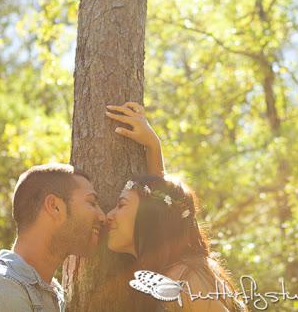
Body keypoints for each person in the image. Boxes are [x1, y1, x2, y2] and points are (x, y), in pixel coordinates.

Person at [0, 101, 163, 312]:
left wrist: (153, 148)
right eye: (91, 202)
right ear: (55, 207)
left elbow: (160, 229)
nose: (102, 215)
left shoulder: (50, 295)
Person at [105, 106, 247, 312]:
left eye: (121, 205)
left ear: (150, 216)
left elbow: (159, 205)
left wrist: (154, 146)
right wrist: (153, 148)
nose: (109, 215)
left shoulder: (186, 279)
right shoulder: (169, 275)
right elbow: (161, 205)